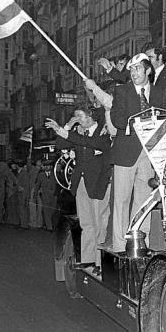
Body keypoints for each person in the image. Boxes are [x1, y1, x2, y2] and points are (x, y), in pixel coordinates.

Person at [109, 53, 166, 252]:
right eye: (131, 70)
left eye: (137, 69)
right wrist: (141, 121)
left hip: (148, 154)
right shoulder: (122, 92)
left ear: (148, 70)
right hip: (125, 153)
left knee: (144, 201)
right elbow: (117, 119)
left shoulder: (160, 93)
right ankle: (119, 246)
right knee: (121, 201)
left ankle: (140, 243)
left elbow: (165, 122)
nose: (133, 73)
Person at [46, 103, 112, 275]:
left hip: (98, 184)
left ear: (91, 116)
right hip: (81, 183)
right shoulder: (77, 132)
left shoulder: (103, 133)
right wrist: (68, 125)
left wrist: (64, 130)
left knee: (100, 224)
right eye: (76, 116)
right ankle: (88, 259)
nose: (78, 120)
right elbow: (60, 144)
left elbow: (87, 143)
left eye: (80, 116)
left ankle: (100, 262)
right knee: (86, 223)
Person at [35, 160, 58, 231]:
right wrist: (35, 195)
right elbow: (37, 185)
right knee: (46, 211)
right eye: (46, 166)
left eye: (49, 166)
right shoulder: (41, 175)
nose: (47, 167)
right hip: (45, 196)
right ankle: (49, 227)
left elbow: (58, 185)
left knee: (52, 210)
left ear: (51, 166)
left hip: (53, 196)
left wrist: (56, 194)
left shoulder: (55, 174)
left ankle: (49, 224)